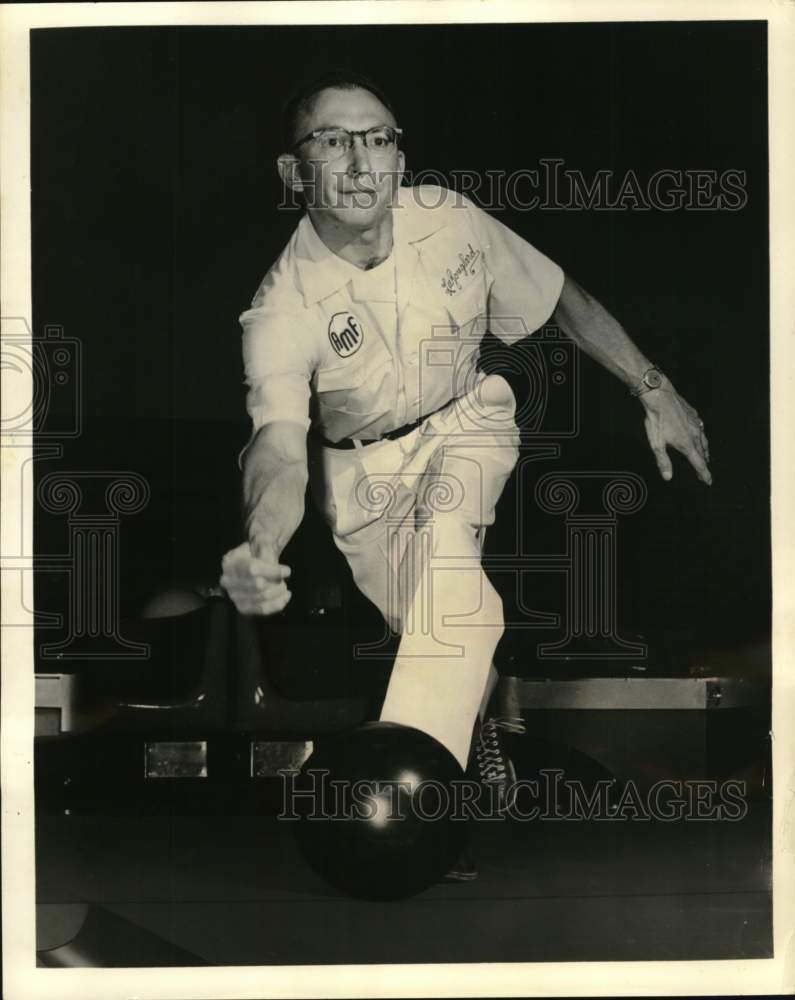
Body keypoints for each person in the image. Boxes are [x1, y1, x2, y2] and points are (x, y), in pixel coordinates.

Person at [220, 71, 711, 830]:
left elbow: (560, 298)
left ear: (399, 159)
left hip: (467, 419)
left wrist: (652, 387)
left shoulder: (449, 218)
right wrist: (260, 541)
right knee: (446, 625)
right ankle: (485, 704)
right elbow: (279, 450)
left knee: (452, 584)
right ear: (293, 172)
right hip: (364, 474)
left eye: (377, 139)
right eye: (333, 141)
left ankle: (422, 815)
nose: (359, 162)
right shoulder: (281, 309)